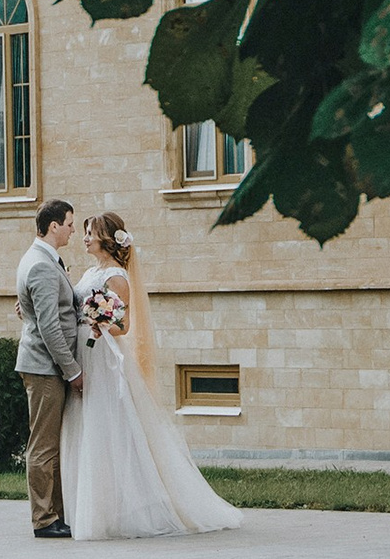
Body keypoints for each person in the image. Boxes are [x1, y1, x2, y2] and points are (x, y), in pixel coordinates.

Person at [58, 211, 243, 540]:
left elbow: (124, 326)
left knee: (109, 425)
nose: (85, 237)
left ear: (107, 238)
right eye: (83, 231)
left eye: (91, 232)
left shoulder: (116, 277)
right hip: (83, 351)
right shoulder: (90, 271)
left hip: (102, 355)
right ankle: (93, 507)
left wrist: (100, 322)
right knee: (87, 424)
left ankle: (127, 509)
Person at [13, 199, 81, 539]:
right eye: (69, 223)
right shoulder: (40, 264)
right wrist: (72, 370)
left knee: (50, 444)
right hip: (44, 367)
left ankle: (56, 515)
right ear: (53, 226)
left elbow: (36, 311)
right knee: (42, 446)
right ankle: (44, 519)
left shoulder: (43, 259)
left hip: (47, 365)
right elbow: (49, 327)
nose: (72, 229)